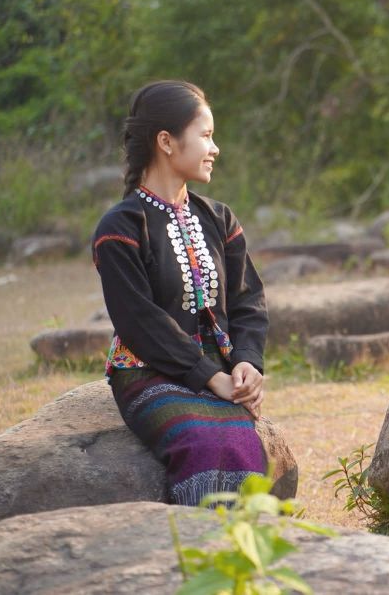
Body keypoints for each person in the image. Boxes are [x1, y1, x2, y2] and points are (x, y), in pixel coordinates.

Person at [92, 80, 269, 504]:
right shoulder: (119, 229)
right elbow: (139, 320)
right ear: (166, 142)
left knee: (245, 445)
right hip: (147, 372)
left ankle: (240, 564)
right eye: (206, 135)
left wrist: (246, 362)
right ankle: (197, 557)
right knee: (203, 444)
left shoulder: (220, 219)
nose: (215, 148)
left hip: (221, 372)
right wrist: (210, 378)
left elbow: (247, 302)